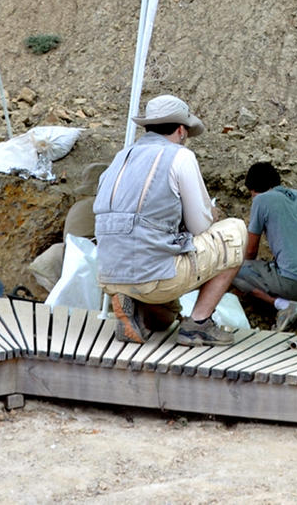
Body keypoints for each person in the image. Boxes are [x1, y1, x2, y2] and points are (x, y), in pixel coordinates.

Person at [94, 95, 246, 347]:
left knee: (165, 319)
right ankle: (199, 324)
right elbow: (201, 227)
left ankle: (134, 309)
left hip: (109, 272)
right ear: (181, 130)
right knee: (235, 231)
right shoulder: (180, 156)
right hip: (153, 275)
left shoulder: (121, 157)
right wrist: (212, 215)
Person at [232, 162, 297, 331]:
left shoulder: (261, 200)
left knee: (235, 270)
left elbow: (251, 251)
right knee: (291, 273)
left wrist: (246, 272)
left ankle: (285, 306)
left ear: (253, 189)